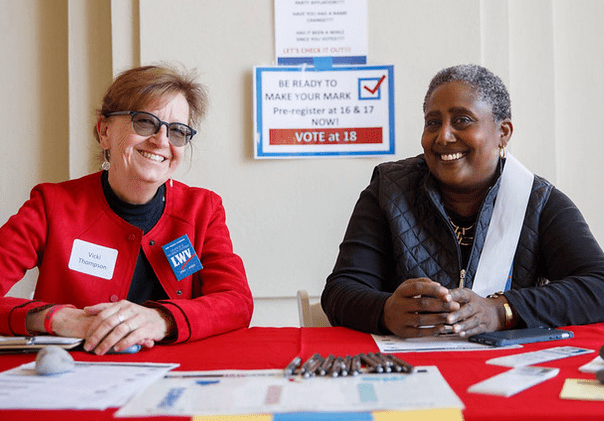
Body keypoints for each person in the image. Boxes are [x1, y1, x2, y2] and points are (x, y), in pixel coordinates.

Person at [321, 64, 604, 339]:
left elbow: (599, 285)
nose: (443, 136)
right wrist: (385, 311)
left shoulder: (537, 201)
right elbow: (341, 290)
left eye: (462, 120)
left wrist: (503, 309)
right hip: (408, 371)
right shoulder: (389, 191)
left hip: (504, 371)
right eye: (433, 123)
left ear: (503, 133)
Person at [0, 64, 253, 354]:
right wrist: (55, 318)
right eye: (145, 122)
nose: (161, 140)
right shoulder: (51, 205)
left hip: (178, 377)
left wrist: (163, 319)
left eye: (177, 131)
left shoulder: (203, 209)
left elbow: (237, 302)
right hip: (74, 376)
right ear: (104, 131)